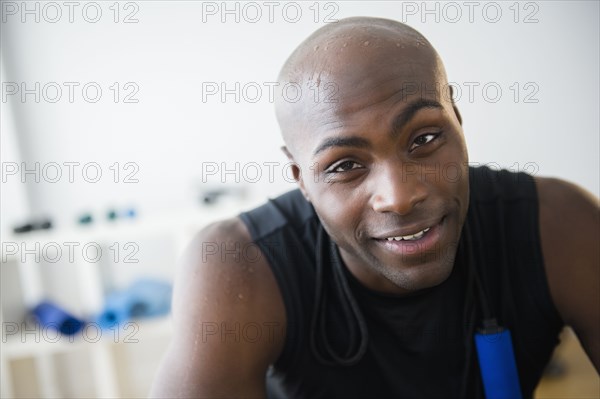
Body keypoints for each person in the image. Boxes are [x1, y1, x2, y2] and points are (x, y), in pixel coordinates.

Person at [149, 17, 599, 398]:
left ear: (457, 121)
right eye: (345, 165)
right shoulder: (240, 266)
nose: (399, 196)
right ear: (301, 179)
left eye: (424, 139)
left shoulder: (558, 227)